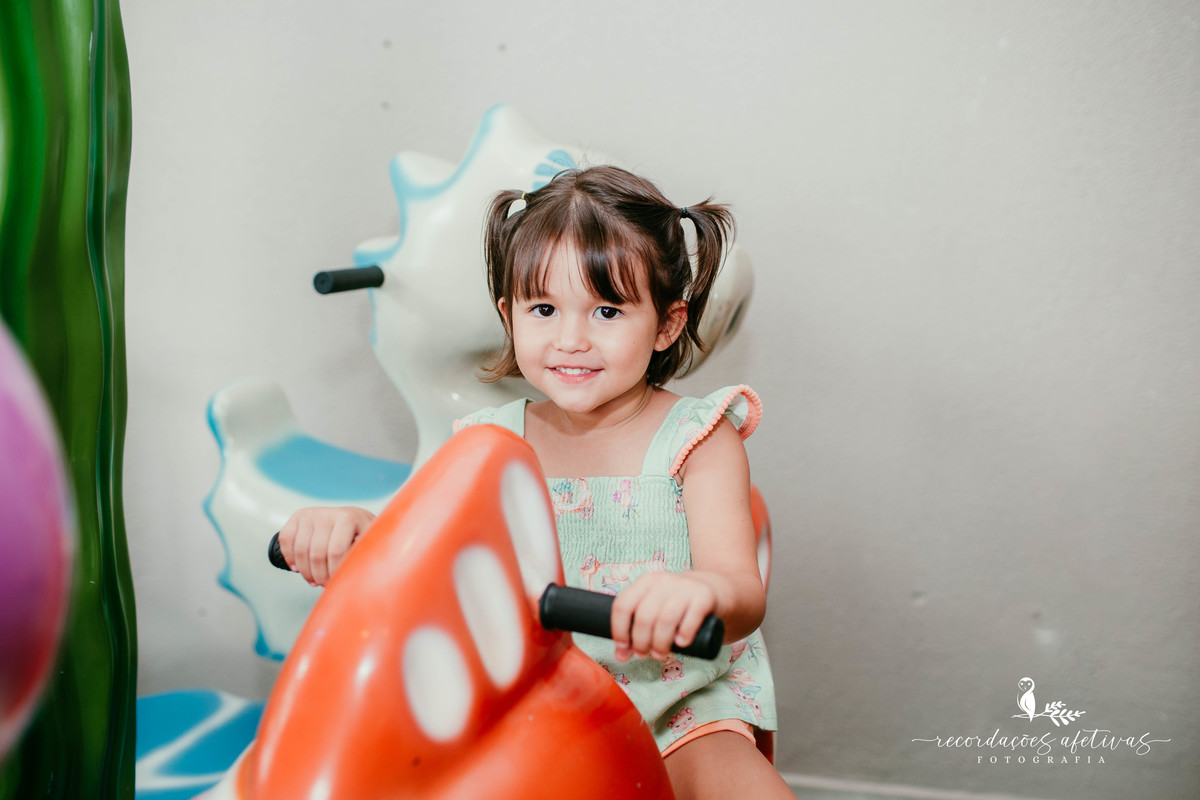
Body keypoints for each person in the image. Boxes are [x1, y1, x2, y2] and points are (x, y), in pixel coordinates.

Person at [278, 165, 790, 799]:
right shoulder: (487, 443)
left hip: (678, 707)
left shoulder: (698, 436)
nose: (570, 340)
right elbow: (415, 546)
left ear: (666, 324)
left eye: (606, 310)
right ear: (508, 315)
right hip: (533, 702)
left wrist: (701, 593)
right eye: (543, 309)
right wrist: (350, 529)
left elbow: (742, 589)